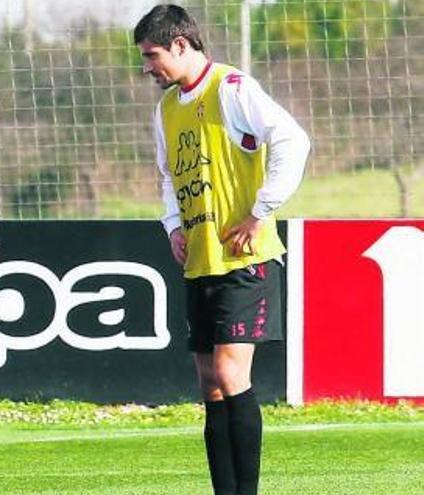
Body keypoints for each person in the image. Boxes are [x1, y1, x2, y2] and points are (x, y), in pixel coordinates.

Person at [134, 5, 310, 495]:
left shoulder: (232, 88)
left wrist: (260, 209)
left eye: (152, 55)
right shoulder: (167, 108)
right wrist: (173, 224)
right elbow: (169, 176)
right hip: (200, 260)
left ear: (181, 45)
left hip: (244, 260)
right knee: (210, 382)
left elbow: (293, 140)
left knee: (232, 374)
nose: (148, 67)